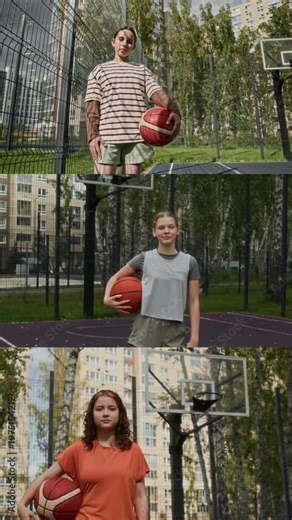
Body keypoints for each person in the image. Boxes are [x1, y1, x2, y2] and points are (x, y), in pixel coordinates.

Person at [17, 390, 150, 520]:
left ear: (120, 413)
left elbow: (140, 496)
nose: (105, 413)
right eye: (99, 409)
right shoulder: (78, 449)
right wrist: (22, 505)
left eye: (111, 409)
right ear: (91, 414)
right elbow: (46, 476)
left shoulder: (133, 450)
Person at [85, 26, 181, 182]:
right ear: (113, 42)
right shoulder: (100, 70)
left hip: (136, 136)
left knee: (130, 184)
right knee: (102, 182)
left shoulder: (141, 70)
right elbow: (92, 103)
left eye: (129, 41)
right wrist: (93, 135)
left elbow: (155, 92)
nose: (124, 44)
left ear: (133, 46)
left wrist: (174, 109)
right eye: (121, 39)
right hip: (108, 136)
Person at [104, 211, 200, 350]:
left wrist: (195, 337)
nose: (166, 231)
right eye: (161, 228)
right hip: (146, 325)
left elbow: (194, 301)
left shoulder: (190, 262)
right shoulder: (144, 258)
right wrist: (106, 298)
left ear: (178, 230)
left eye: (171, 227)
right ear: (154, 232)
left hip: (174, 327)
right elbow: (115, 277)